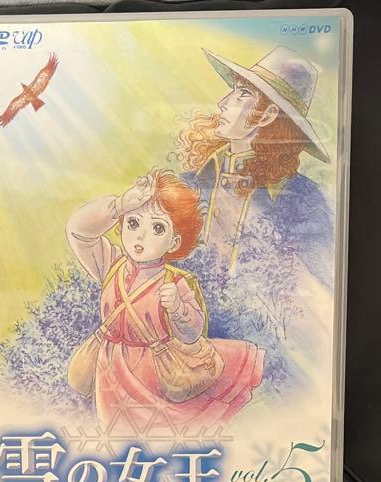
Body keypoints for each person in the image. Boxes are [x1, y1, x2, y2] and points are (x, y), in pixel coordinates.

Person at [65, 168, 263, 432]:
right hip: (111, 375)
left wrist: (178, 309)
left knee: (162, 436)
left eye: (158, 228)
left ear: (174, 242)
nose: (141, 236)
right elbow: (78, 231)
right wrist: (119, 205)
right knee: (116, 437)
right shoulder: (111, 264)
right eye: (133, 223)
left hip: (158, 374)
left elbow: (192, 334)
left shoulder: (175, 281)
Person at [177, 46, 333, 279]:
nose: (223, 102)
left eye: (243, 94)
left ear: (267, 115)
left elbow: (317, 286)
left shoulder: (304, 200)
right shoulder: (189, 185)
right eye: (233, 90)